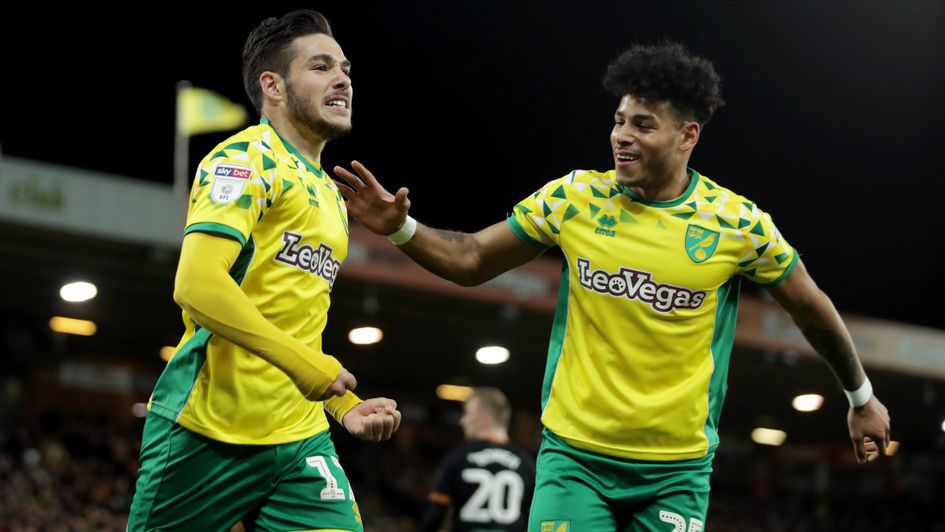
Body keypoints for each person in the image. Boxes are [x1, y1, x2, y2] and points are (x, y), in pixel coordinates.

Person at [333, 42, 891, 530]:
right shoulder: (575, 198)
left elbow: (812, 310)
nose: (621, 136)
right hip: (575, 459)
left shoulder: (737, 225)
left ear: (687, 135)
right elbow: (473, 258)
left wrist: (860, 396)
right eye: (619, 120)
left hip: (676, 472)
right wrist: (401, 229)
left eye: (642, 125)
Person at [128, 10, 401, 531]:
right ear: (272, 86)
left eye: (345, 69)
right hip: (205, 429)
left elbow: (297, 324)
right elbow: (196, 284)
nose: (343, 79)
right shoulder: (243, 160)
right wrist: (306, 366)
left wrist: (344, 406)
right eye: (320, 67)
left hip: (299, 438)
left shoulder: (331, 195)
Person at [421, 388, 536, 532]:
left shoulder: (458, 457)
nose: (463, 421)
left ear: (484, 418)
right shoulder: (527, 465)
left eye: (467, 414)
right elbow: (536, 517)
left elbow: (435, 514)